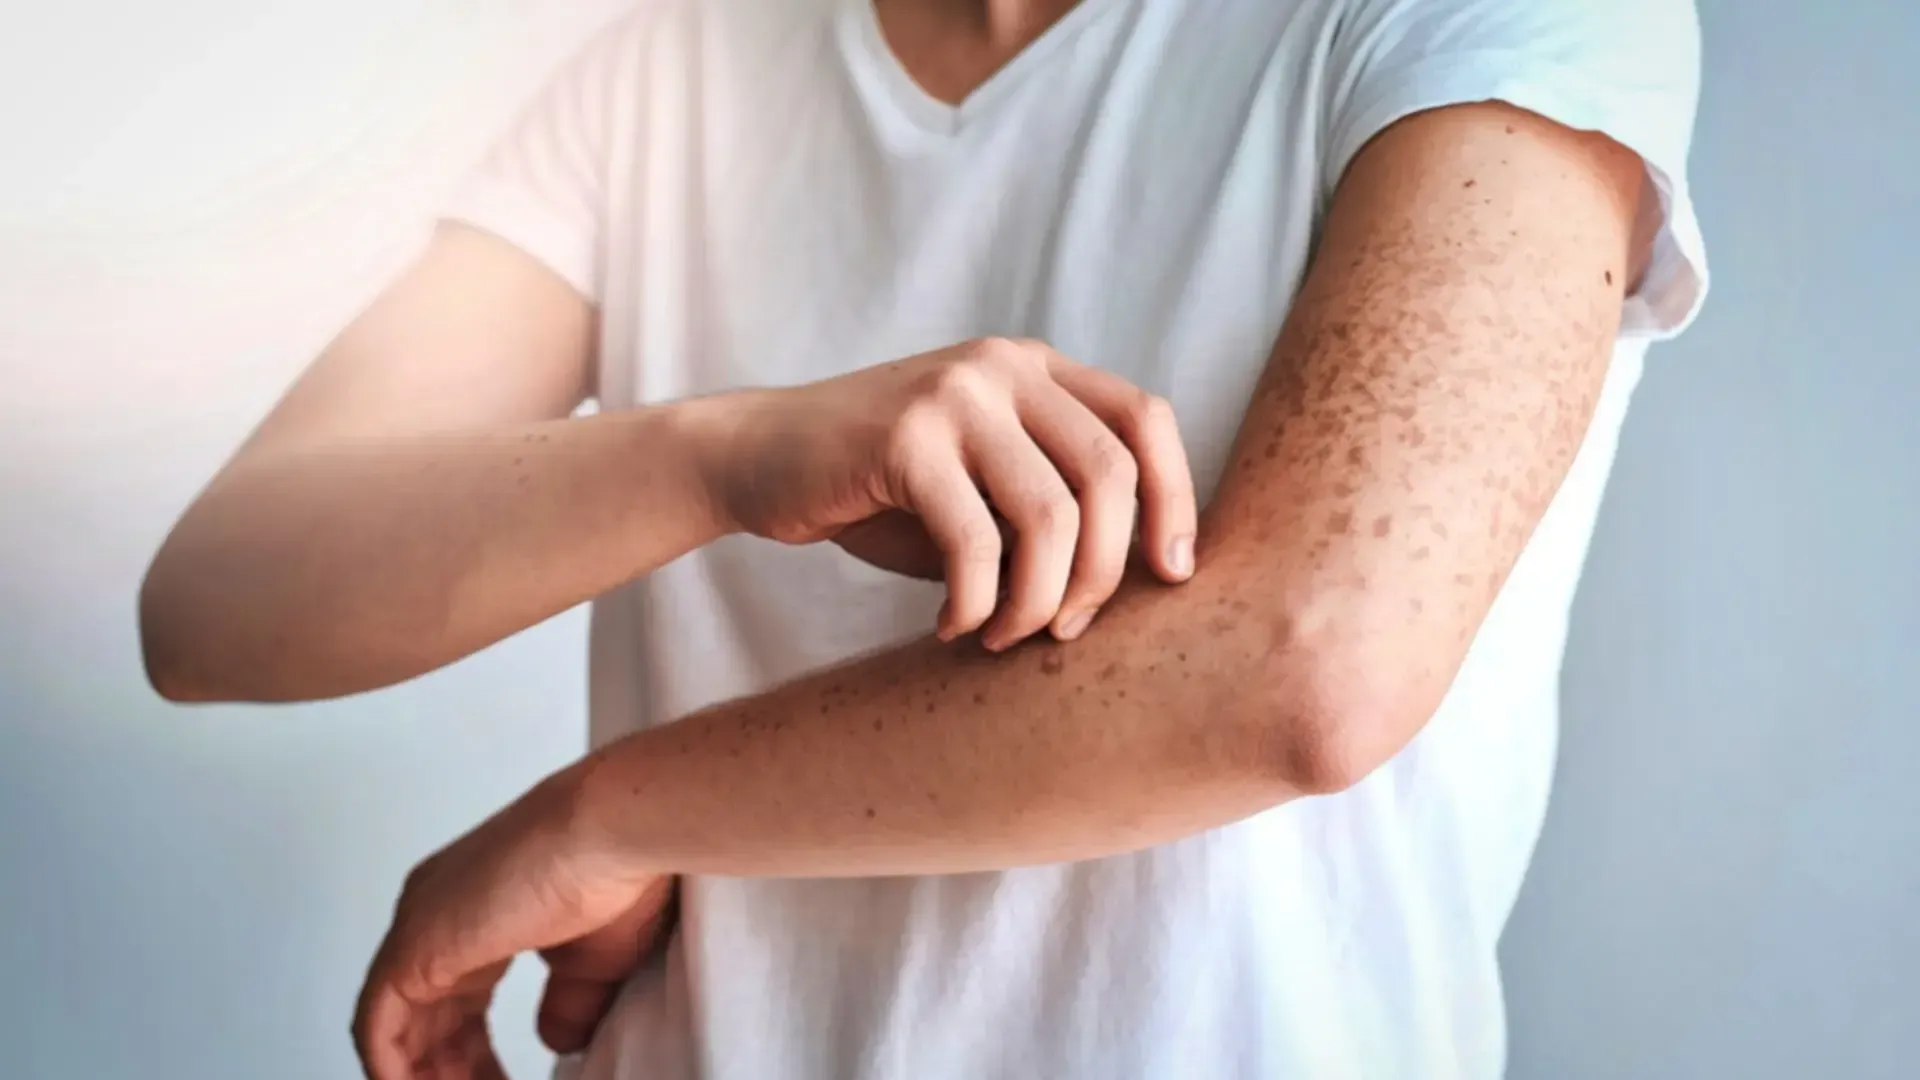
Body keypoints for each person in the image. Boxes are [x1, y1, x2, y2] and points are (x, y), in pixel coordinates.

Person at [138, 0, 1708, 1076]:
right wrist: (728, 448)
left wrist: (603, 820)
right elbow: (217, 600)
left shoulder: (1473, 21)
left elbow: (1302, 663)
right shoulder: (668, 68)